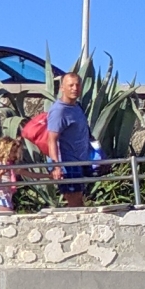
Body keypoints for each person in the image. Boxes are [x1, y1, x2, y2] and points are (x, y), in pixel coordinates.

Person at [47, 71, 96, 207]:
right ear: (62, 88)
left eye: (77, 85)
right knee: (75, 202)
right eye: (70, 85)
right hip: (68, 163)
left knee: (79, 199)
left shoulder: (77, 106)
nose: (75, 88)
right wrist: (56, 166)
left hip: (80, 161)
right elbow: (51, 139)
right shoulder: (59, 111)